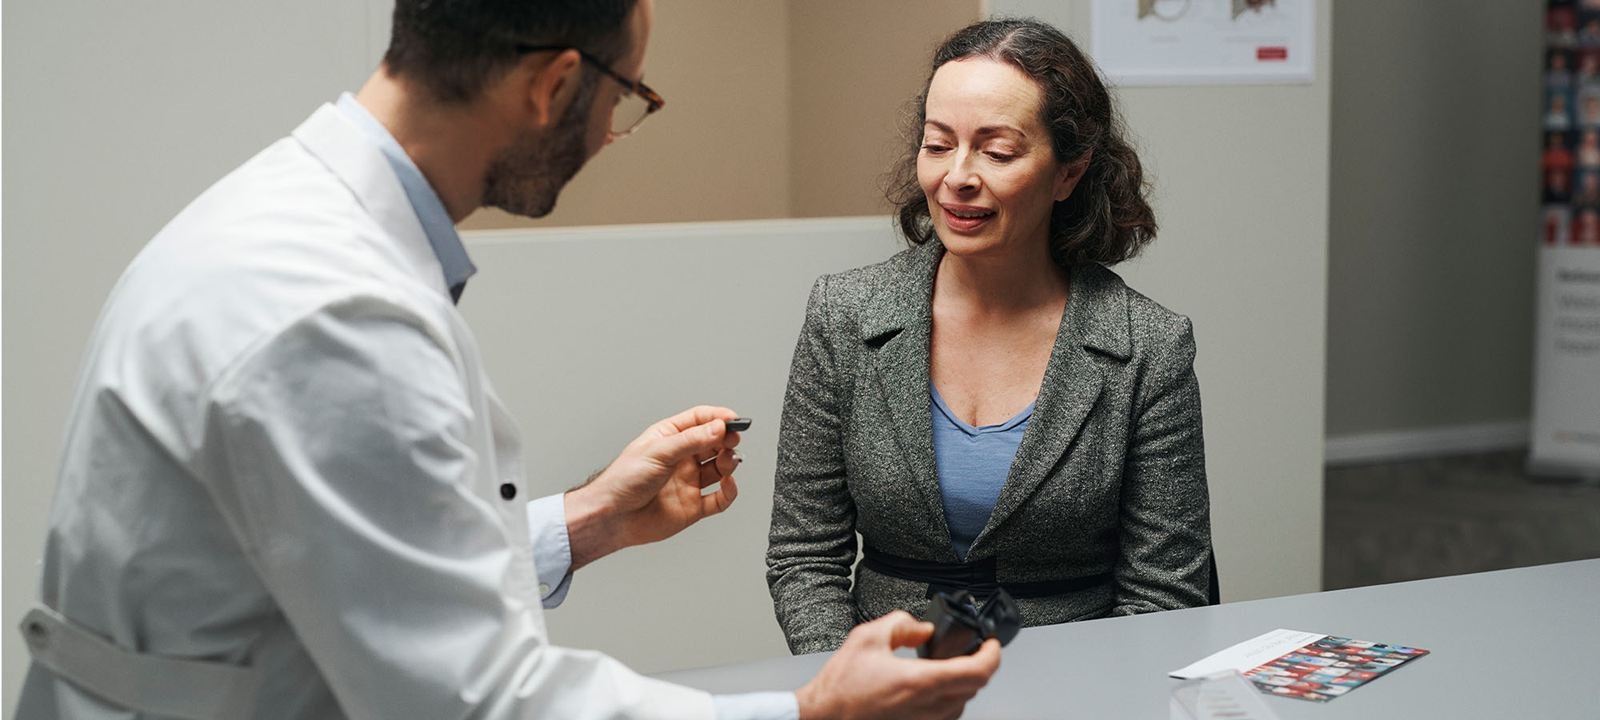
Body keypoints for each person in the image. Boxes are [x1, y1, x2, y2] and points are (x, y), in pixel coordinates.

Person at [14, 2, 1000, 718]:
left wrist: (581, 524)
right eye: (627, 98)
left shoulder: (286, 218)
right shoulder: (331, 307)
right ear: (554, 84)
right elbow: (480, 702)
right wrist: (808, 712)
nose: (614, 134)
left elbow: (347, 557)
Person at [766, 18, 1212, 655]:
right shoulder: (845, 314)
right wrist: (854, 684)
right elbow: (804, 556)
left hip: (1075, 684)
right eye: (938, 144)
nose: (958, 177)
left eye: (997, 152)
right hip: (886, 679)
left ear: (1069, 173)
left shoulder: (1148, 345)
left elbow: (1166, 593)